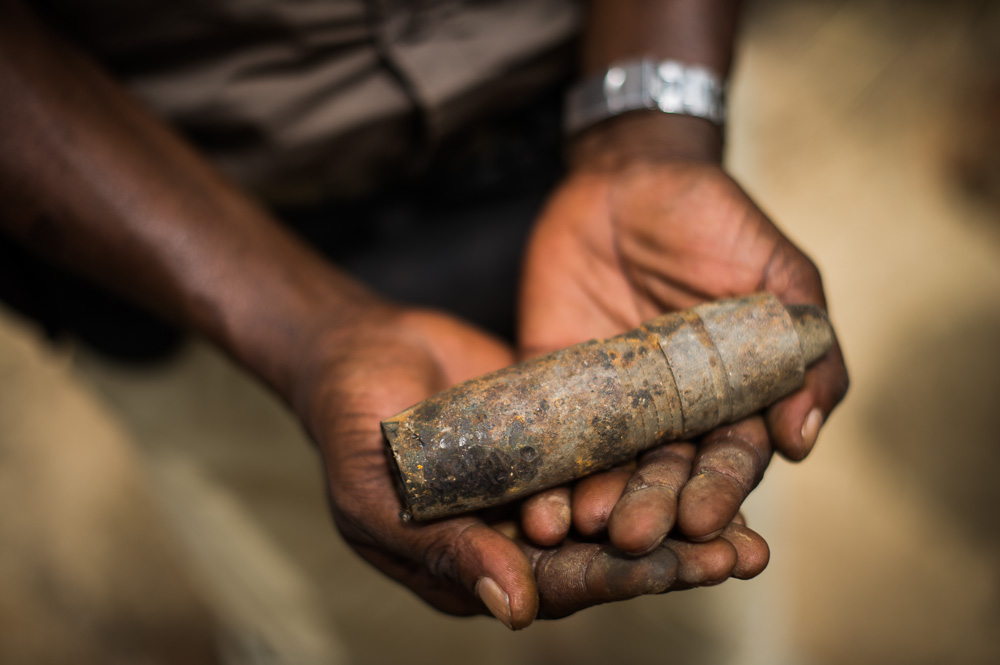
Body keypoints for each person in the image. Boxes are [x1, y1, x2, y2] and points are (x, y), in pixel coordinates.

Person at [0, 0, 847, 630]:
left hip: (585, 100)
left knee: (674, 607)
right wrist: (306, 334)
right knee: (352, 625)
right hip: (177, 234)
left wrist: (651, 129)